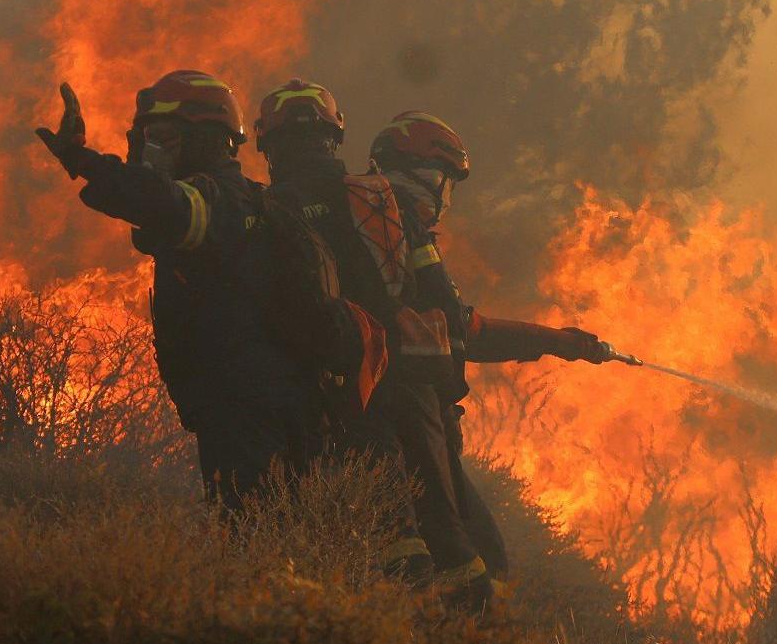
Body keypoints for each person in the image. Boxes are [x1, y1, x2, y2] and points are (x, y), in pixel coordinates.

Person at [34, 71, 376, 511]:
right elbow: (154, 217)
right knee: (292, 539)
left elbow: (159, 203)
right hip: (277, 398)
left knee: (251, 536)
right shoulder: (250, 198)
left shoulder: (216, 204)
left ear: (205, 139)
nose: (152, 150)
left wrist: (84, 161)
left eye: (162, 138)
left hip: (246, 407)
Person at [252, 79, 489, 603]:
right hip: (409, 390)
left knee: (382, 534)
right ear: (335, 137)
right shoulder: (375, 200)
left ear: (268, 147)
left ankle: (393, 634)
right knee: (449, 539)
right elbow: (447, 308)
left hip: (328, 397)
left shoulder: (261, 212)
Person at [368, 110, 620, 581]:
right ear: (426, 175)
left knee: (450, 557)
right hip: (412, 420)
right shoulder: (400, 231)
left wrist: (557, 342)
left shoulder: (375, 233)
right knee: (471, 563)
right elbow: (467, 329)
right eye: (445, 182)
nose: (445, 198)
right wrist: (557, 342)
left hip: (394, 418)